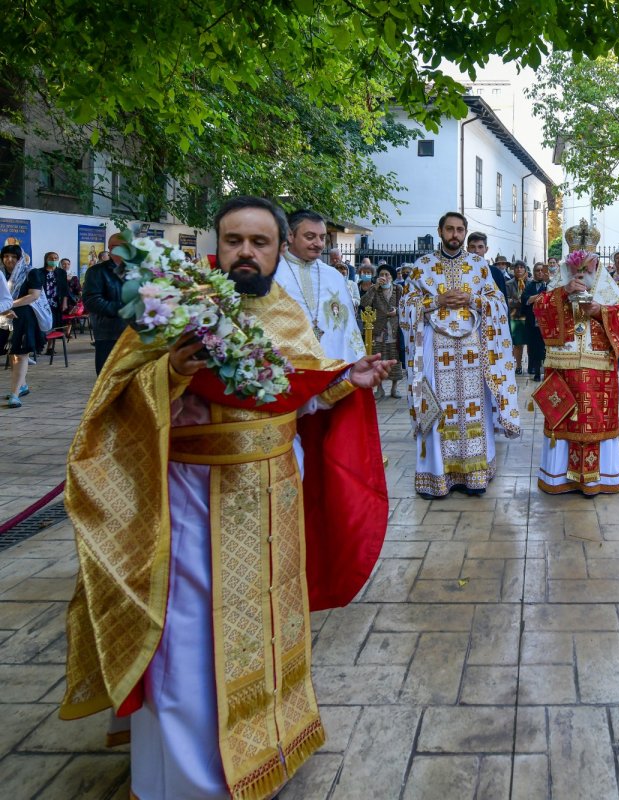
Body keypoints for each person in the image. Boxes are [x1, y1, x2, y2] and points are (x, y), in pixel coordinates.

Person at [60, 195, 391, 800]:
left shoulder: (285, 309)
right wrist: (172, 373)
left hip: (275, 496)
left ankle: (268, 748)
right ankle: (188, 780)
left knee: (271, 625)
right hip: (195, 501)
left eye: (259, 242)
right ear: (217, 245)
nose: (245, 252)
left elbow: (296, 389)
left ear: (278, 249)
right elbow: (115, 401)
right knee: (189, 638)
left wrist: (345, 380)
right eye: (234, 240)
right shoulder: (174, 306)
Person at [402, 212, 521, 498]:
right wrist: (437, 300)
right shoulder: (422, 266)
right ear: (440, 231)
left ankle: (474, 476)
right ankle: (437, 476)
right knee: (436, 407)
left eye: (459, 230)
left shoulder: (479, 266)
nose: (454, 234)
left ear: (465, 233)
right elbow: (406, 306)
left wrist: (472, 299)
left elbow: (498, 304)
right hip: (435, 348)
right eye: (450, 229)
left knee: (474, 408)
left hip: (472, 350)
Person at [532, 245, 619, 494]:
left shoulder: (606, 284)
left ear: (595, 264)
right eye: (577, 266)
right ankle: (558, 477)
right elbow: (540, 309)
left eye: (587, 266)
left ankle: (600, 478)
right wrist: (564, 292)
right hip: (563, 367)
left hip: (599, 367)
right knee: (563, 417)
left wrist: (600, 311)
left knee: (597, 421)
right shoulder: (560, 281)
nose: (581, 271)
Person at [274, 209, 365, 362]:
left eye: (322, 238)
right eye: (310, 237)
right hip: (288, 364)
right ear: (290, 235)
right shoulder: (273, 274)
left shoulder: (334, 276)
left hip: (332, 364)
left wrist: (357, 362)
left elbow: (348, 328)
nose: (318, 244)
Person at [1, 245, 46, 408]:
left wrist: (9, 304)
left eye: (14, 256)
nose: (9, 259)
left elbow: (34, 295)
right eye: (6, 256)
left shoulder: (30, 272)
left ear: (20, 258)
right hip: (4, 317)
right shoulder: (1, 273)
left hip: (24, 316)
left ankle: (14, 394)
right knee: (11, 353)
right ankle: (23, 386)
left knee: (20, 354)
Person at [83, 234, 129, 374]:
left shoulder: (137, 270)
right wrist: (124, 309)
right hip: (109, 333)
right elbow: (92, 301)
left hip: (134, 332)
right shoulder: (96, 271)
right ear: (112, 248)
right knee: (109, 377)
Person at [361, 266, 405, 398]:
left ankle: (394, 388)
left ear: (392, 277)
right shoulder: (374, 289)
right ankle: (379, 389)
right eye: (382, 274)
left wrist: (397, 311)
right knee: (378, 359)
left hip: (394, 329)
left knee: (394, 359)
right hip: (378, 329)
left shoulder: (398, 289)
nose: (384, 277)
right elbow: (364, 303)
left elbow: (406, 306)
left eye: (387, 274)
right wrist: (374, 287)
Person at [522, 262, 550, 382]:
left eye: (542, 270)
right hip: (533, 323)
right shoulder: (529, 285)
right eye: (537, 270)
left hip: (548, 323)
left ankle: (548, 372)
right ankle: (536, 371)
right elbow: (525, 299)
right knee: (534, 348)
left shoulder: (550, 285)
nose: (540, 273)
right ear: (534, 272)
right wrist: (541, 296)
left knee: (546, 349)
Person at [39, 250, 76, 333]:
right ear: (46, 259)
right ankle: (44, 338)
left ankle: (53, 340)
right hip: (44, 301)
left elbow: (64, 288)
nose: (53, 260)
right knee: (45, 322)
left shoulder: (61, 272)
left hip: (57, 300)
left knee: (55, 322)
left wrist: (65, 302)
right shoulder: (39, 272)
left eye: (56, 258)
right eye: (51, 258)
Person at [506, 260, 531, 374]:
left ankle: (531, 365)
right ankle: (519, 366)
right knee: (518, 343)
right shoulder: (509, 284)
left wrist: (526, 300)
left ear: (525, 269)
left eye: (522, 267)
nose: (519, 269)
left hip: (529, 316)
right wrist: (517, 301)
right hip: (515, 317)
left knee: (531, 343)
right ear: (514, 270)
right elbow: (506, 299)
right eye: (517, 267)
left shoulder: (530, 282)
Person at [467, 231, 509, 296]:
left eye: (480, 247)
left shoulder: (496, 273)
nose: (476, 251)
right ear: (467, 249)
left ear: (486, 249)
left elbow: (502, 299)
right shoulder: (461, 271)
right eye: (472, 247)